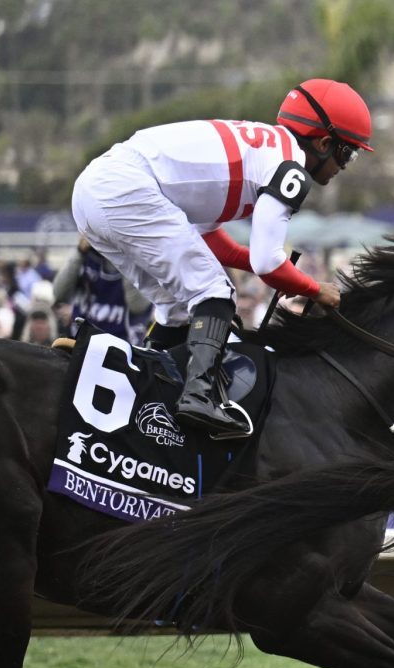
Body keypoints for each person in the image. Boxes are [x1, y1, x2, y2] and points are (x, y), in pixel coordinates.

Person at [69, 79, 372, 436]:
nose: (344, 166)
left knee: (177, 305)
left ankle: (148, 387)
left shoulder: (262, 150)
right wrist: (314, 289)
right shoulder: (290, 167)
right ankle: (198, 397)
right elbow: (267, 263)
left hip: (95, 192)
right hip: (124, 188)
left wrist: (286, 272)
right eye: (347, 153)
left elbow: (212, 240)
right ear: (323, 143)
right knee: (215, 291)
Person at [52, 236, 140, 341]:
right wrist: (79, 252)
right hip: (79, 341)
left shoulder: (134, 259)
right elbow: (59, 294)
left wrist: (126, 258)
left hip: (118, 345)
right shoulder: (84, 257)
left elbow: (138, 306)